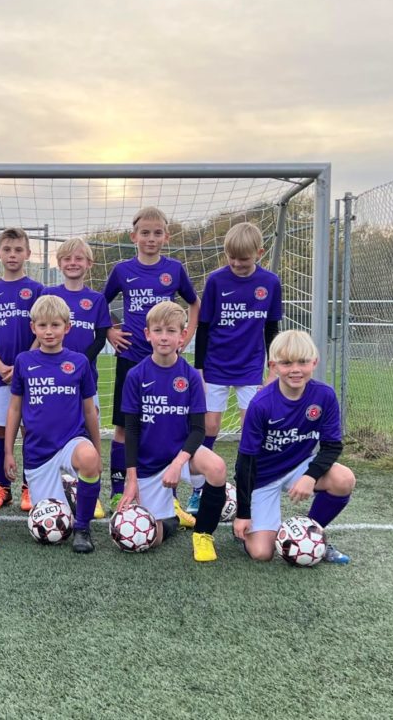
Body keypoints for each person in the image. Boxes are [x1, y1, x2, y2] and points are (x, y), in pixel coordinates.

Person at [104, 207, 199, 521]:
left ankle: (170, 498)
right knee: (123, 427)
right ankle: (118, 489)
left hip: (168, 364)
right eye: (145, 233)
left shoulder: (174, 269)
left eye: (157, 233)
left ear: (166, 237)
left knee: (168, 427)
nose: (151, 238)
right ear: (134, 236)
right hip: (132, 358)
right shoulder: (122, 270)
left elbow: (194, 302)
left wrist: (187, 334)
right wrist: (110, 330)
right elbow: (100, 303)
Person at [117, 301, 228, 563]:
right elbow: (130, 430)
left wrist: (178, 463)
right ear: (148, 334)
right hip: (148, 465)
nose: (164, 337)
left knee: (217, 467)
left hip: (182, 456)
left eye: (171, 331)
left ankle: (203, 535)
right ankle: (173, 518)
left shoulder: (190, 377)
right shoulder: (136, 375)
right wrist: (131, 480)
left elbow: (198, 430)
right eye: (158, 330)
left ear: (182, 335)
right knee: (143, 538)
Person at [233, 330, 355, 564]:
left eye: (303, 362)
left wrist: (310, 476)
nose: (296, 369)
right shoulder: (260, 404)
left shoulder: (324, 396)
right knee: (261, 553)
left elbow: (331, 446)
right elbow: (245, 463)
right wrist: (243, 514)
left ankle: (311, 536)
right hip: (262, 477)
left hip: (298, 466)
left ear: (314, 363)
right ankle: (244, 528)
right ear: (274, 366)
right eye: (287, 363)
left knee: (343, 479)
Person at [189, 222, 282, 514]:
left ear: (259, 253)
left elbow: (272, 329)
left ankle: (249, 491)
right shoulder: (216, 280)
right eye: (232, 258)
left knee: (251, 428)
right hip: (215, 366)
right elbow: (204, 327)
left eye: (244, 258)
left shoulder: (270, 283)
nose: (237, 264)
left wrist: (273, 368)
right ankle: (198, 490)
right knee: (209, 427)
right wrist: (200, 369)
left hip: (251, 367)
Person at [4, 296, 103, 553]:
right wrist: (8, 452)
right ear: (33, 328)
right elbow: (14, 409)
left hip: (71, 441)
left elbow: (89, 410)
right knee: (50, 529)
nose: (49, 331)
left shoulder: (79, 362)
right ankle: (70, 493)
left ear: (67, 327)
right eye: (43, 325)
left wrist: (97, 450)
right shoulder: (24, 361)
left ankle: (83, 528)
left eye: (55, 325)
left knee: (88, 458)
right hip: (38, 452)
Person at [0, 227, 43, 512]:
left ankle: (29, 487)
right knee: (2, 429)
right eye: (7, 249)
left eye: (18, 250)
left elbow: (42, 329)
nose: (12, 255)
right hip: (0, 373)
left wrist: (23, 363)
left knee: (29, 429)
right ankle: (2, 486)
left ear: (28, 254)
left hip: (30, 374)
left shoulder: (37, 290)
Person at [44, 237, 111, 519]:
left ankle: (90, 494)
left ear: (89, 264)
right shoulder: (49, 294)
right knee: (51, 429)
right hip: (52, 381)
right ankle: (52, 486)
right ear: (59, 264)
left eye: (79, 258)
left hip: (85, 378)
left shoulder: (96, 300)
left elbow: (101, 337)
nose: (73, 263)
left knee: (88, 428)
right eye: (67, 259)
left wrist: (79, 362)